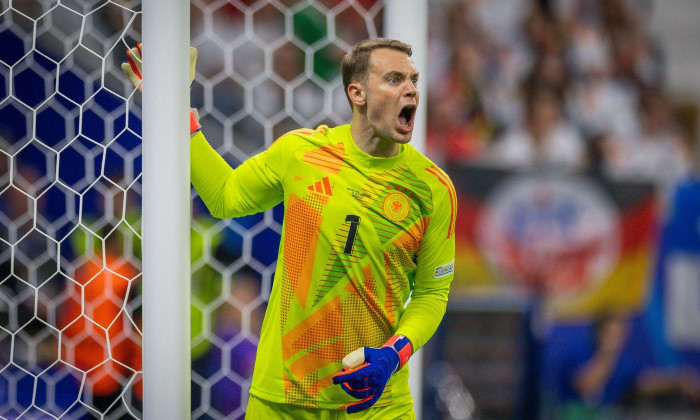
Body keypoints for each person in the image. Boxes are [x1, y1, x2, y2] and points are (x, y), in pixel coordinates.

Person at [123, 38, 456, 419]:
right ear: (357, 93)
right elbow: (224, 197)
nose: (411, 88)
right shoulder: (301, 153)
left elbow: (432, 293)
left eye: (413, 79)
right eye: (395, 79)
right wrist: (171, 109)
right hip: (284, 399)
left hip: (378, 404)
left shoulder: (433, 188)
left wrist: (394, 353)